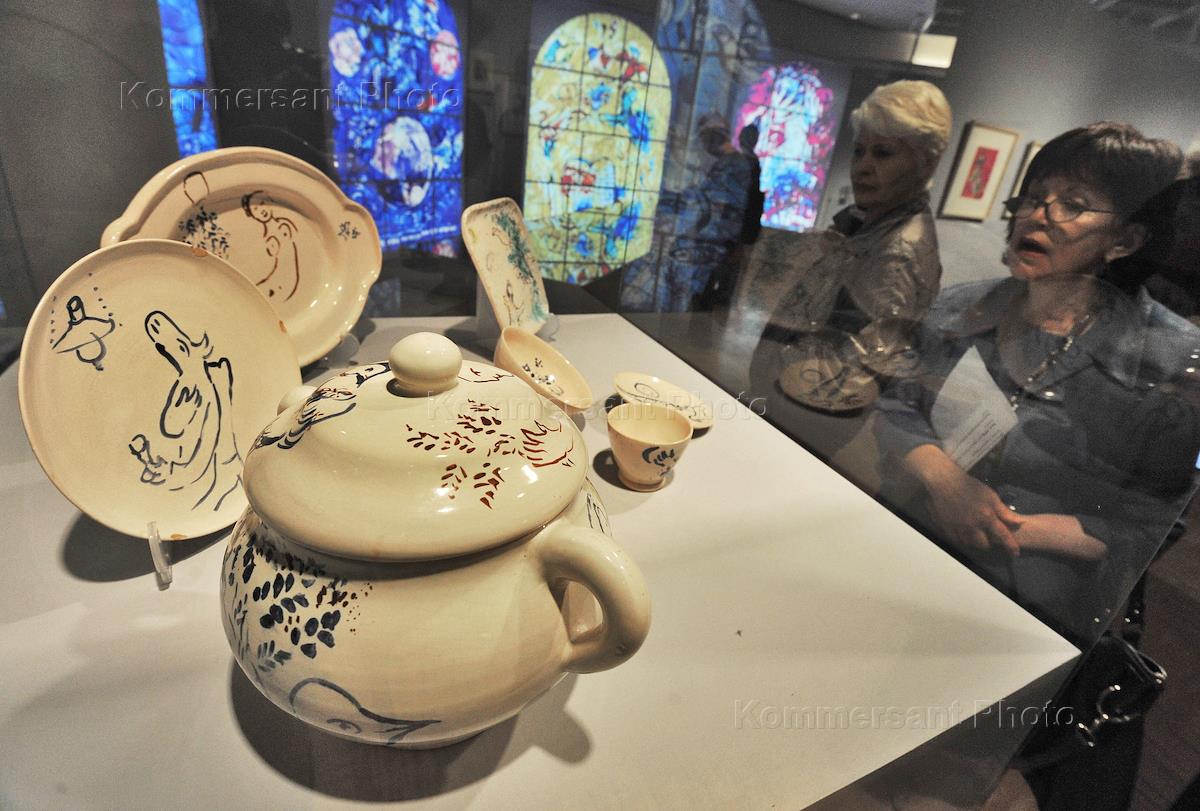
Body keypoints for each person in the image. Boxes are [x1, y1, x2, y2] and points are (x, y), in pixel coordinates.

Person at [873, 122, 1199, 645]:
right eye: (1033, 197)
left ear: (1125, 240)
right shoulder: (962, 306)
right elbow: (897, 402)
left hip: (1029, 601)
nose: (1037, 215)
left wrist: (1008, 527)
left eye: (1073, 204)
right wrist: (943, 479)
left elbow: (1154, 519)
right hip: (908, 536)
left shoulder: (1171, 358)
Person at [747, 80, 951, 467]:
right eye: (859, 151)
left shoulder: (899, 252)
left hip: (801, 420)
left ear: (926, 162)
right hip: (787, 405)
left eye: (883, 153)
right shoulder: (871, 226)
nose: (863, 167)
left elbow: (856, 375)